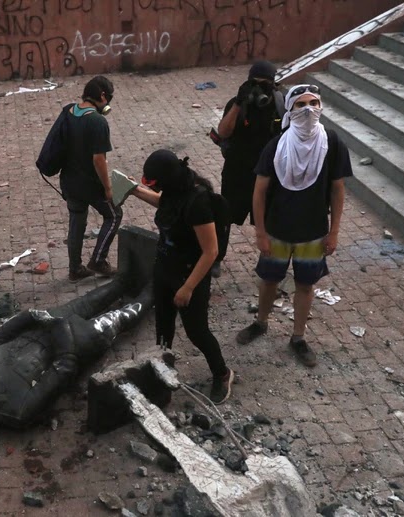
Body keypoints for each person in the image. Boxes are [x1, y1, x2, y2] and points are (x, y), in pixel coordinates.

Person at [0, 273, 152, 442]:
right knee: (122, 317)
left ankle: (124, 280)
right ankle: (154, 291)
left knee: (89, 301)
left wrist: (30, 317)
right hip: (74, 344)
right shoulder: (15, 410)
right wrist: (63, 335)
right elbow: (64, 369)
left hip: (40, 327)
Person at [235, 84, 352, 367]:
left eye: (314, 103)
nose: (309, 109)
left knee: (305, 285)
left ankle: (298, 337)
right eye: (301, 104)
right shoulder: (276, 146)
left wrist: (334, 231)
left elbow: (337, 190)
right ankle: (261, 322)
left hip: (313, 234)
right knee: (269, 281)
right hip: (277, 230)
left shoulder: (332, 143)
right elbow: (259, 192)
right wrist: (260, 232)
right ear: (290, 109)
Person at [128, 150, 234, 404]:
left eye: (153, 183)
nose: (153, 188)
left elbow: (211, 251)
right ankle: (162, 371)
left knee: (196, 331)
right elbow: (165, 204)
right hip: (164, 268)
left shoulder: (198, 203)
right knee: (163, 327)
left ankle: (222, 373)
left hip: (190, 274)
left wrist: (187, 288)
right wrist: (134, 190)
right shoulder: (174, 189)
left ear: (166, 179)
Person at [214, 60, 284, 278]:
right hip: (237, 171)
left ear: (273, 85)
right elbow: (223, 132)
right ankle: (216, 257)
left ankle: (268, 260)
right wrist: (238, 103)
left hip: (267, 174)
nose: (259, 89)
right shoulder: (239, 103)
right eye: (255, 83)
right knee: (225, 216)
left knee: (268, 220)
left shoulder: (281, 104)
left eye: (265, 84)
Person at [61, 75, 123, 282]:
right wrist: (108, 188)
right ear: (103, 96)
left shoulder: (68, 111)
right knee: (114, 215)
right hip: (89, 184)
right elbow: (99, 160)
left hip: (69, 181)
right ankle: (98, 260)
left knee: (76, 221)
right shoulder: (97, 121)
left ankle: (75, 269)